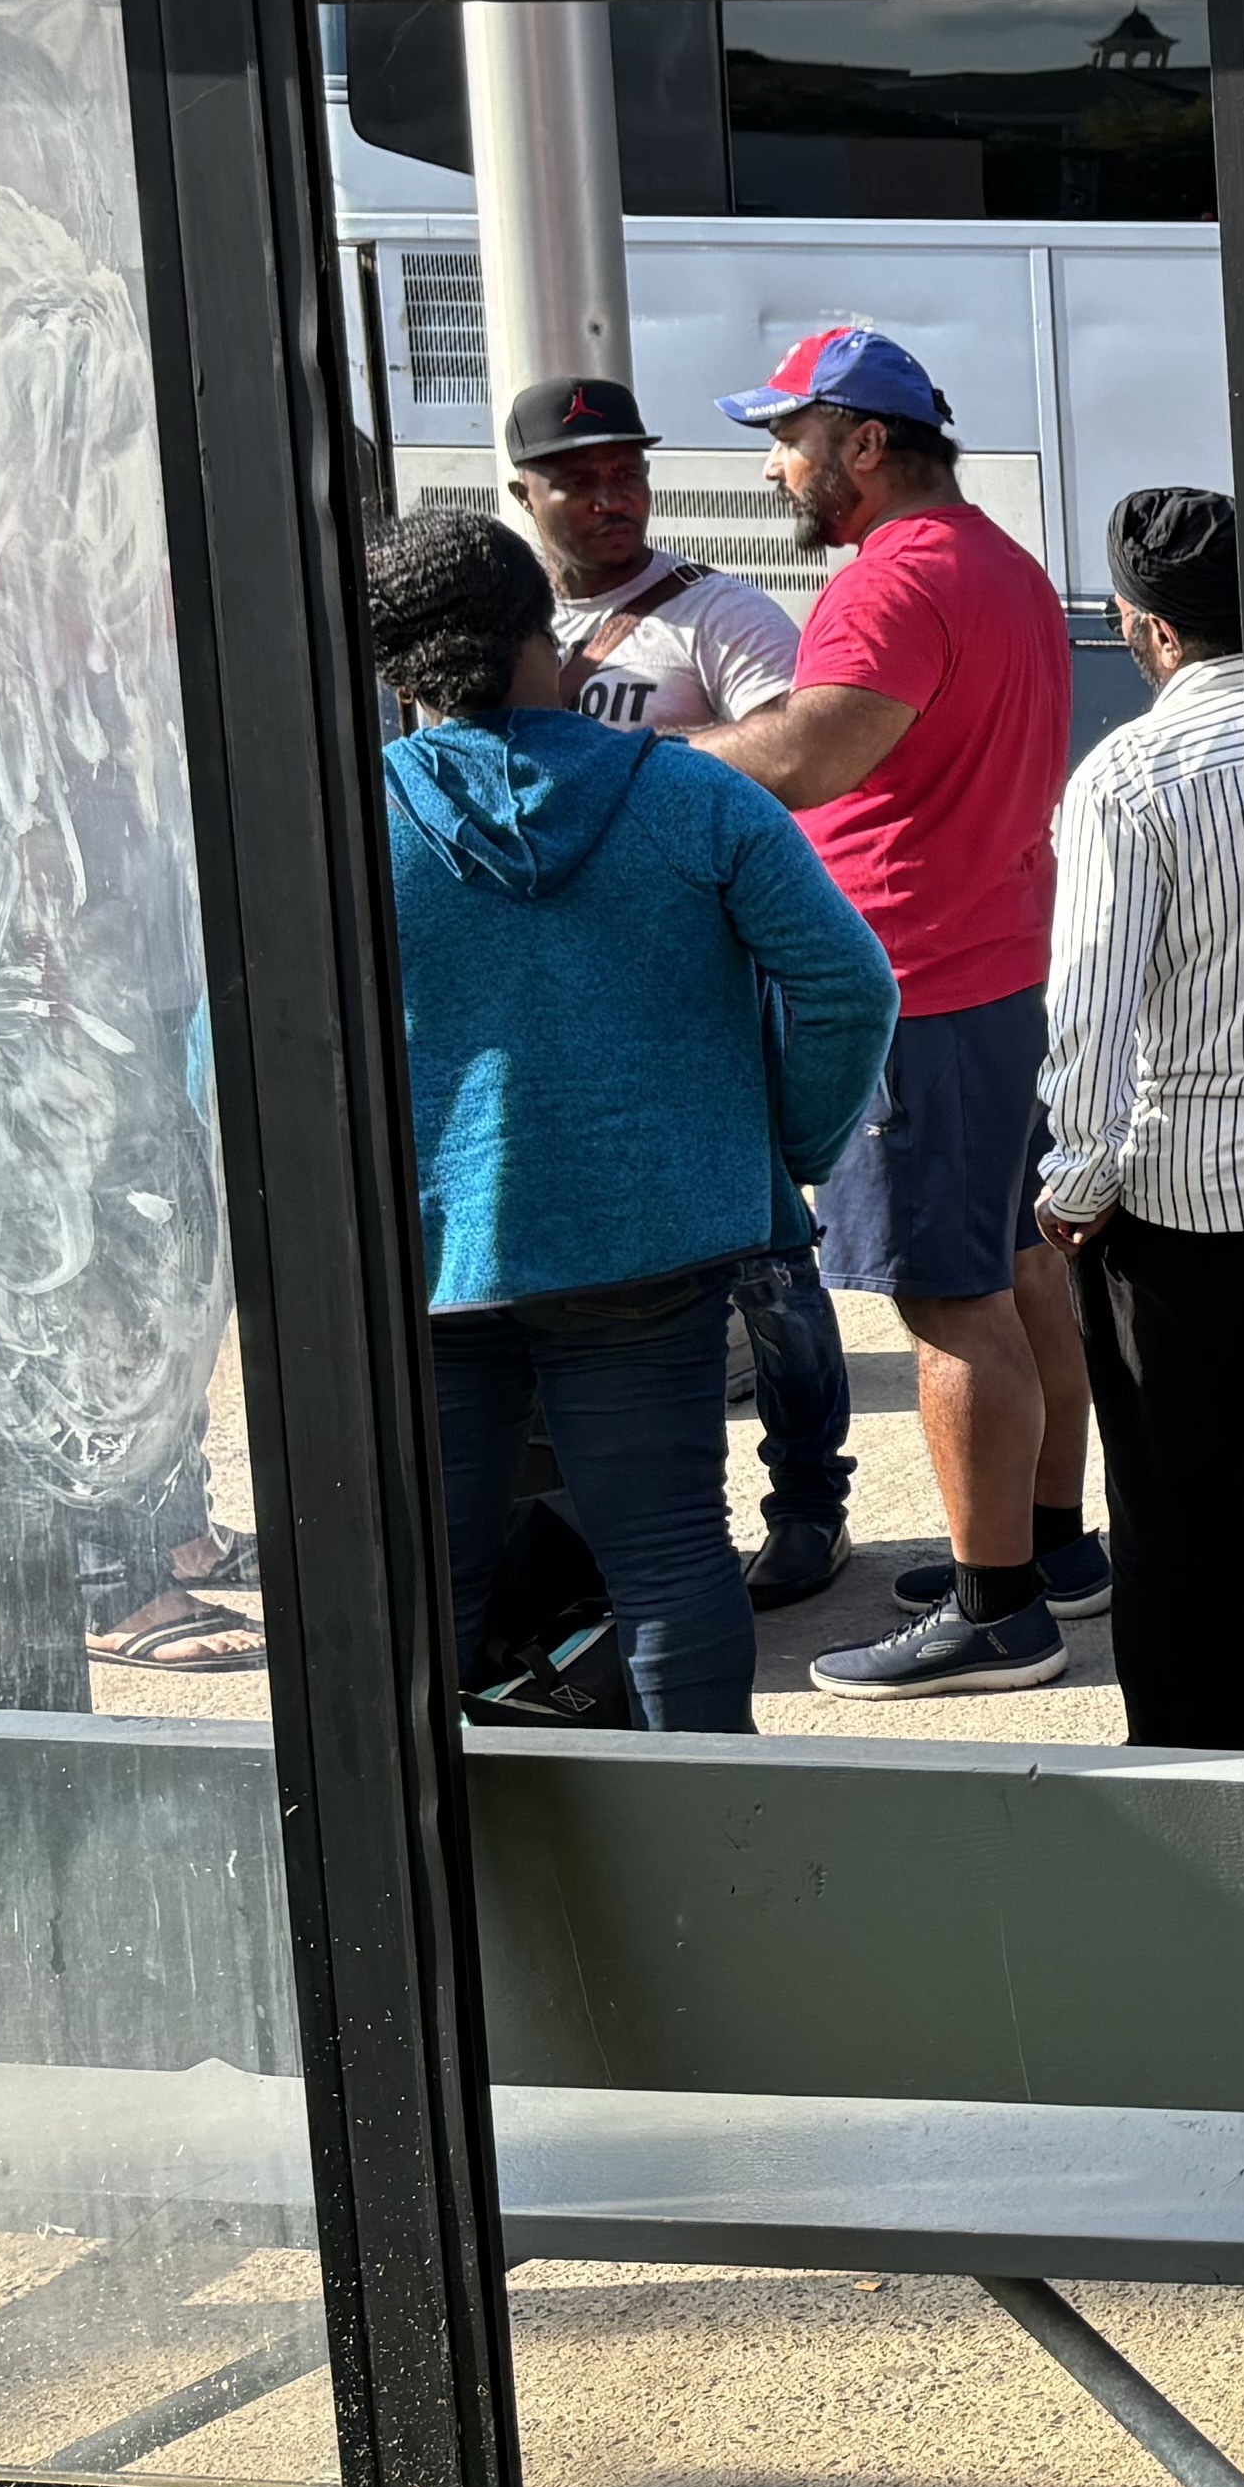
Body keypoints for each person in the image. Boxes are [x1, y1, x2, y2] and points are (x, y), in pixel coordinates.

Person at [367, 506, 893, 1736]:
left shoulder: (335, 824)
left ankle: (458, 1876)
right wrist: (784, 1148)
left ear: (390, 665)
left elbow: (222, 1050)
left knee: (425, 1575)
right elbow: (849, 985)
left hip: (417, 1250)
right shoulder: (695, 798)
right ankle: (715, 1854)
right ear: (546, 629)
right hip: (653, 1238)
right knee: (668, 1556)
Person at [682, 324, 1099, 1696]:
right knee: (1021, 1269)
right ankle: (1047, 1553)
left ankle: (994, 1617)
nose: (776, 474)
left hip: (914, 989)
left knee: (949, 1304)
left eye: (788, 443)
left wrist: (626, 756)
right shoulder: (1001, 563)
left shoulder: (889, 580)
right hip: (998, 971)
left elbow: (804, 760)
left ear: (863, 444)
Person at [501, 367, 859, 1611]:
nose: (614, 498)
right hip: (558, 1000)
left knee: (768, 1255)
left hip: (709, 979)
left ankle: (811, 1499)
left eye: (628, 474)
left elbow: (795, 772)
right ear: (524, 492)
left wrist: (622, 769)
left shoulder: (719, 616)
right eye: (581, 480)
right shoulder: (503, 625)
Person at [1038, 489, 1244, 1752]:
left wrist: (1076, 1179)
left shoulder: (1131, 773)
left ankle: (1198, 1770)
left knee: (1177, 1512)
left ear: (1148, 630)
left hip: (1186, 1199)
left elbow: (1089, 1002)